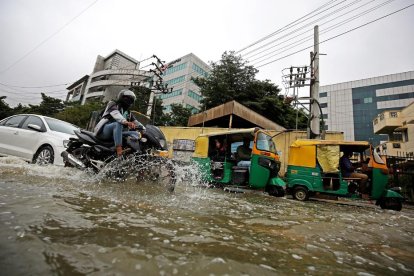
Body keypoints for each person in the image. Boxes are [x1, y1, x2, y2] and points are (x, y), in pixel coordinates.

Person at [94, 89, 145, 157]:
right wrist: (126, 122)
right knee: (118, 123)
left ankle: (132, 151)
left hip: (116, 134)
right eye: (127, 98)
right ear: (121, 97)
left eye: (131, 100)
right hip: (104, 131)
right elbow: (116, 114)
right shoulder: (112, 104)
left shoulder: (128, 113)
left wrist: (144, 130)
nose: (129, 101)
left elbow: (137, 123)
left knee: (136, 133)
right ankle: (119, 150)